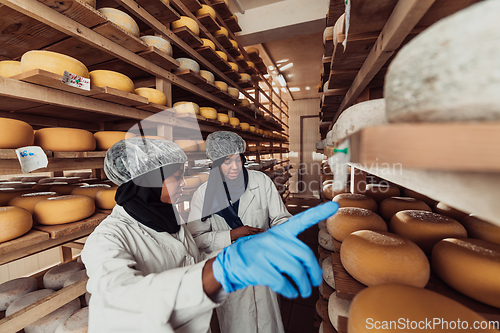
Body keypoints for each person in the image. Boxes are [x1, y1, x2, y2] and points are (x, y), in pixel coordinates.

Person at [81, 137, 339, 333]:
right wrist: (223, 267)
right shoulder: (107, 239)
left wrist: (238, 253)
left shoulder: (167, 219)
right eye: (176, 177)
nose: (182, 184)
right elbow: (119, 302)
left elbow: (192, 257)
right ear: (148, 181)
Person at [187, 131, 291, 333]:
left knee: (268, 322)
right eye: (227, 162)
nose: (235, 167)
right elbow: (197, 239)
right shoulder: (203, 194)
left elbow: (283, 220)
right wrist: (231, 235)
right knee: (237, 324)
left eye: (238, 160)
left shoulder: (260, 182)